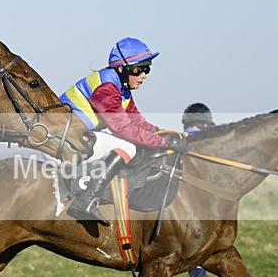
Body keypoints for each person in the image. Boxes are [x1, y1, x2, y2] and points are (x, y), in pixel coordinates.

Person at [60, 37, 187, 226]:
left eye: (147, 68)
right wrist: (164, 144)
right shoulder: (106, 89)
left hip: (80, 136)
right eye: (139, 69)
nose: (144, 75)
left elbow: (137, 122)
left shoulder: (122, 89)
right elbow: (123, 129)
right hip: (66, 139)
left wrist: (163, 134)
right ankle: (86, 199)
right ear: (122, 68)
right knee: (127, 146)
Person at [181, 102, 228, 277]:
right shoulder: (200, 142)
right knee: (199, 257)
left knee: (200, 256)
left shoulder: (181, 138)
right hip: (195, 205)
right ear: (201, 123)